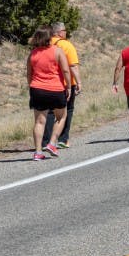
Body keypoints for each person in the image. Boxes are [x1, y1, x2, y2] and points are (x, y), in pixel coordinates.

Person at [27, 26, 71, 160]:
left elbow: (29, 74)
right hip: (55, 88)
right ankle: (52, 143)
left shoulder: (33, 53)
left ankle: (38, 152)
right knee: (61, 117)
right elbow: (65, 71)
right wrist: (68, 86)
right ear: (50, 37)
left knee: (39, 122)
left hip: (37, 89)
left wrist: (32, 86)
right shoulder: (57, 51)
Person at [42, 21, 81, 150]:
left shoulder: (44, 44)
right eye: (64, 30)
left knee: (49, 113)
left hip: (47, 84)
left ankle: (45, 141)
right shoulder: (66, 45)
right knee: (67, 111)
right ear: (59, 33)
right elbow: (73, 66)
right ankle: (62, 139)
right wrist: (78, 82)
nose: (66, 33)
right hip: (65, 84)